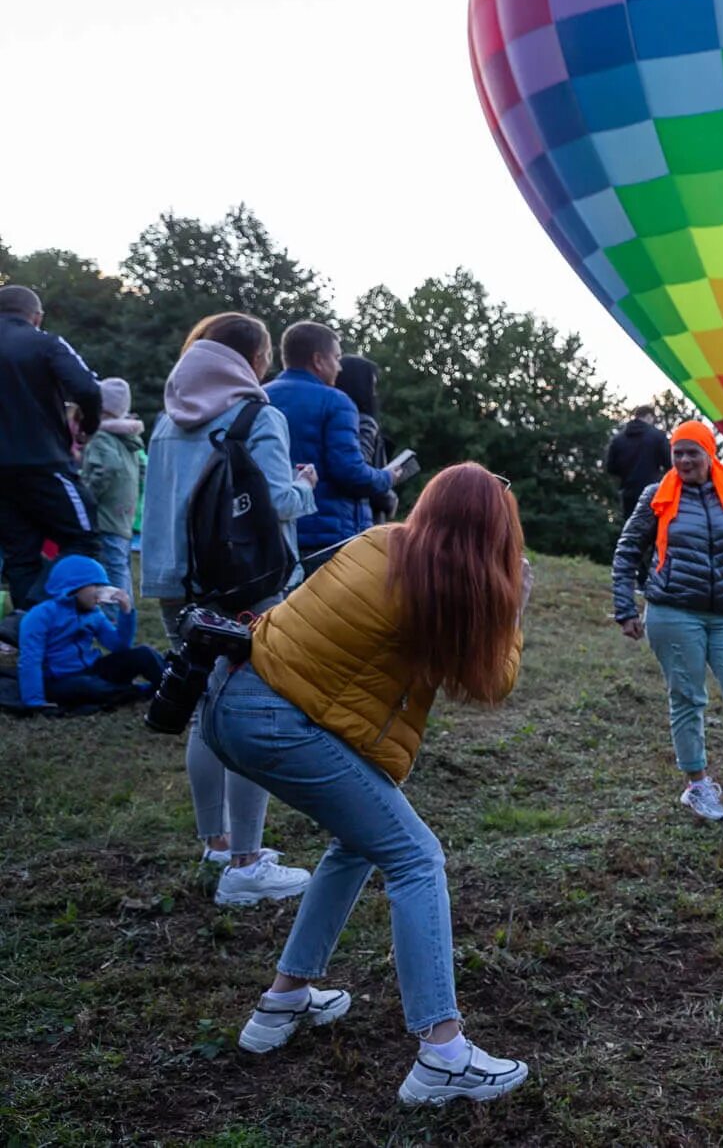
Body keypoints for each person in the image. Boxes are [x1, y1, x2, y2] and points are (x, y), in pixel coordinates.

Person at [206, 464, 531, 1105]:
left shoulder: (382, 543)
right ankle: (442, 1053)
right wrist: (515, 610)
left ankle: (285, 1000)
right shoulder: (443, 585)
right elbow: (492, 682)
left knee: (359, 842)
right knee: (416, 856)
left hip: (236, 699)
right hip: (278, 721)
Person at [142, 313, 316, 906]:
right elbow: (275, 502)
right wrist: (306, 485)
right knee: (250, 712)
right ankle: (246, 865)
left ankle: (215, 845)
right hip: (247, 585)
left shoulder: (167, 420)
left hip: (174, 584)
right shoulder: (256, 415)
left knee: (204, 711)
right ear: (252, 359)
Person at [612, 421, 723, 824]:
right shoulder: (657, 495)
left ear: (709, 454)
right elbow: (628, 550)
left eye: (693, 452)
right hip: (672, 612)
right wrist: (625, 608)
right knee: (688, 699)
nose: (685, 460)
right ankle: (697, 785)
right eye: (678, 453)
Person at [0, 285, 104, 609]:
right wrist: (86, 428)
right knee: (84, 537)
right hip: (42, 461)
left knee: (20, 551)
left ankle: (26, 627)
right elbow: (87, 389)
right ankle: (35, 611)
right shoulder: (45, 343)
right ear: (37, 316)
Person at [267, 322, 395, 575]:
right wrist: (387, 476)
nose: (339, 367)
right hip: (330, 540)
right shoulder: (335, 401)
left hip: (273, 537)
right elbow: (349, 472)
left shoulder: (259, 397)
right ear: (318, 360)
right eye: (336, 358)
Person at [15, 555, 163, 714]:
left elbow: (119, 646)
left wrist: (126, 613)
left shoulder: (94, 613)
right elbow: (31, 660)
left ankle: (173, 686)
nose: (101, 592)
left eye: (103, 586)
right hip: (59, 680)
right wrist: (34, 702)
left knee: (143, 654)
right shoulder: (40, 616)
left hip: (92, 669)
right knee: (87, 687)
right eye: (96, 586)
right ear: (74, 587)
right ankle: (139, 692)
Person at [80, 378, 146, 600]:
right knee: (121, 564)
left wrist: (87, 495)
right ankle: (127, 617)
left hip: (104, 515)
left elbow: (108, 467)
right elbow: (144, 469)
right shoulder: (130, 438)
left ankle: (114, 616)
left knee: (110, 568)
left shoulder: (101, 436)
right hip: (123, 514)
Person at [335, 354, 402, 523]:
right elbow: (360, 472)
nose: (374, 393)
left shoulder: (331, 419)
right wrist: (388, 492)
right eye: (371, 386)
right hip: (361, 519)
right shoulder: (365, 423)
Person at [604, 403, 672, 521]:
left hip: (628, 492)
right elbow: (669, 464)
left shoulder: (618, 439)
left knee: (631, 531)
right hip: (653, 491)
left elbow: (611, 467)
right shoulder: (657, 436)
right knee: (653, 529)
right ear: (649, 416)